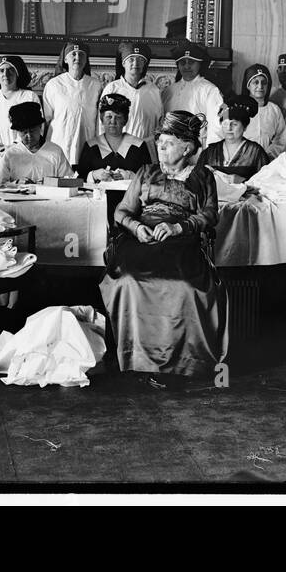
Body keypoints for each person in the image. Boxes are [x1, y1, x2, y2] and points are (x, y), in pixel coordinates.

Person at [99, 110, 228, 378]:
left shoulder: (203, 176)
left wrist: (178, 227)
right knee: (128, 281)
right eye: (159, 143)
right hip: (141, 240)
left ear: (187, 148)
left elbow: (209, 214)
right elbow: (122, 212)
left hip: (181, 241)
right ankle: (134, 357)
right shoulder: (146, 172)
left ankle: (185, 362)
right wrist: (137, 228)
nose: (160, 148)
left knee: (185, 287)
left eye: (168, 144)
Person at [41, 39, 103, 172]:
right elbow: (46, 119)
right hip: (59, 141)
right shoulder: (53, 85)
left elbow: (99, 120)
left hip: (86, 140)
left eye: (81, 54)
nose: (77, 57)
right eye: (73, 54)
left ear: (86, 60)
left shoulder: (96, 85)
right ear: (65, 59)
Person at [0, 101, 75, 183]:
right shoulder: (11, 154)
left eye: (32, 131)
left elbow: (69, 181)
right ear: (17, 131)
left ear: (40, 127)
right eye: (24, 132)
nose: (29, 136)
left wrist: (48, 183)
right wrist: (16, 183)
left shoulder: (55, 152)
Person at [102, 42, 164, 153]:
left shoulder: (153, 90)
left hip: (146, 150)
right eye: (131, 59)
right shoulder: (112, 89)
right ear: (123, 63)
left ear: (144, 64)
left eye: (140, 59)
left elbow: (160, 123)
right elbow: (102, 124)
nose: (136, 63)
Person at [0, 55, 40, 160]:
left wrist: (14, 147)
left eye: (10, 70)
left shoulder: (29, 96)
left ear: (17, 73)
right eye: (1, 70)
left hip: (22, 156)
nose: (5, 74)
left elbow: (36, 127)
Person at [77, 92, 150, 182]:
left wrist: (130, 176)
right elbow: (79, 178)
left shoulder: (139, 146)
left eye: (118, 117)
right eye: (109, 116)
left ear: (125, 120)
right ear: (102, 119)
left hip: (130, 191)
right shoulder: (91, 146)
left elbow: (150, 177)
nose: (113, 121)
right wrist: (94, 175)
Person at [163, 40, 225, 144]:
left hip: (198, 146)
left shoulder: (210, 90)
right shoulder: (169, 91)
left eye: (191, 62)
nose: (187, 67)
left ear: (200, 64)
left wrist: (210, 151)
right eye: (183, 63)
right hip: (171, 145)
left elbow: (216, 127)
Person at [197, 96, 269, 181]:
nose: (229, 128)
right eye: (225, 124)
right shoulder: (210, 152)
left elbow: (268, 182)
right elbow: (196, 181)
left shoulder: (255, 152)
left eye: (234, 124)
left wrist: (243, 181)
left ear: (245, 127)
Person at [242, 63, 286, 157]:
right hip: (242, 160)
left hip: (267, 160)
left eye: (264, 83)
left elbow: (280, 139)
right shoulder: (238, 108)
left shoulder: (274, 110)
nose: (260, 86)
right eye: (255, 82)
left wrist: (267, 155)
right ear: (248, 85)